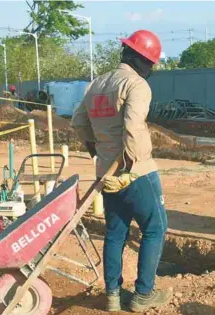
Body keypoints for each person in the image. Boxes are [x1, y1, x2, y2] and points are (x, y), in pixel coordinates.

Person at [71, 30, 171, 313]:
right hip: (137, 171)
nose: (150, 69)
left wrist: (97, 155)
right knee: (155, 228)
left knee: (115, 233)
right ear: (142, 60)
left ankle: (112, 296)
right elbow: (132, 128)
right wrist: (129, 166)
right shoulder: (136, 85)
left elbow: (79, 123)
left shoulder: (96, 84)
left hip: (106, 173)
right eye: (151, 63)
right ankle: (142, 295)